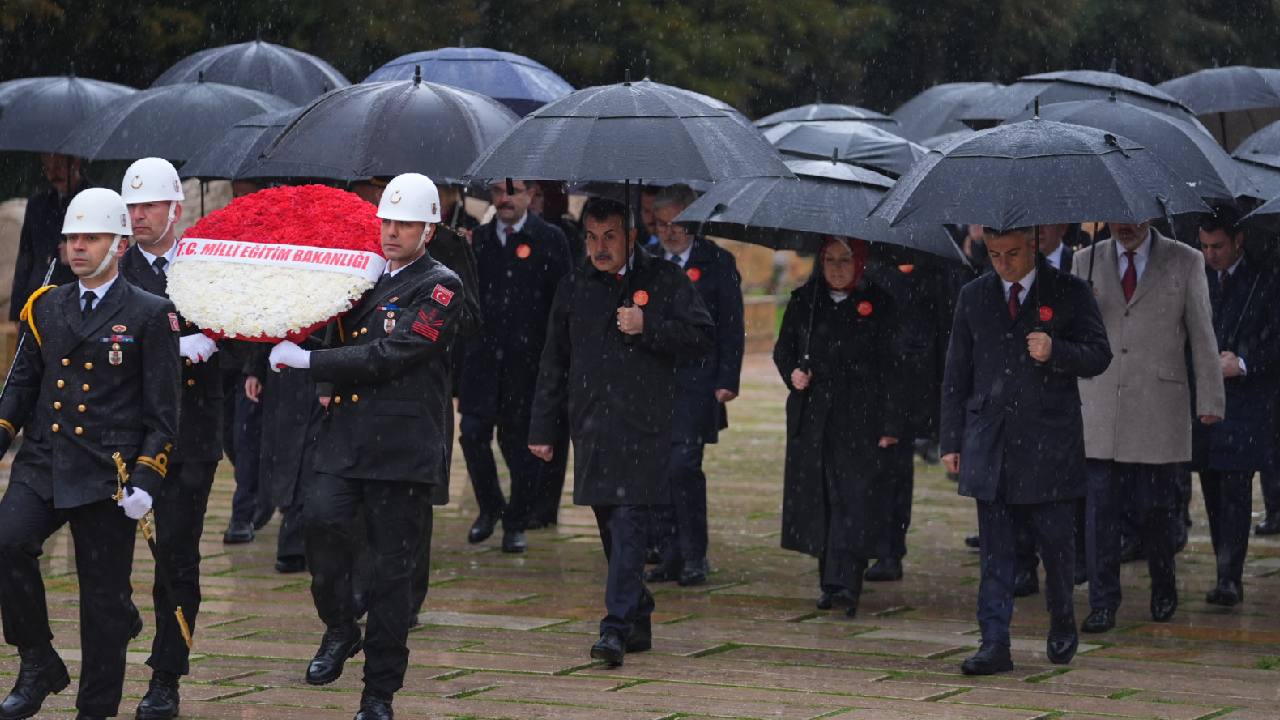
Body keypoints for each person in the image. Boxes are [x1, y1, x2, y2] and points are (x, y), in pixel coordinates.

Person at [268, 172, 462, 720]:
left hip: (401, 449)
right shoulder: (362, 274)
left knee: (391, 575)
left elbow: (393, 352)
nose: (392, 232)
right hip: (345, 440)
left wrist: (312, 365)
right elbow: (332, 327)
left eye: (404, 224)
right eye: (387, 222)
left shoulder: (441, 285)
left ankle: (379, 692)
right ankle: (338, 625)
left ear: (429, 228)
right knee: (320, 527)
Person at [0, 187, 180, 720]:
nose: (78, 248)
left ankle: (94, 710)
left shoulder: (152, 314)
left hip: (109, 471)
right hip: (44, 460)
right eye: (71, 239)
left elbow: (164, 413)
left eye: (91, 238)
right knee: (7, 544)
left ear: (119, 244)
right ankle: (38, 660)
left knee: (102, 602)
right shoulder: (46, 305)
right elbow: (21, 387)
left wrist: (148, 477)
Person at [528, 197, 712, 667]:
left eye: (609, 236)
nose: (599, 247)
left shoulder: (664, 279)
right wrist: (543, 427)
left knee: (630, 522)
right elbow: (554, 360)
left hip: (646, 426)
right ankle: (639, 614)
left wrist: (647, 324)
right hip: (591, 425)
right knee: (611, 527)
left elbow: (700, 338)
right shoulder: (574, 285)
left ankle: (613, 627)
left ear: (631, 235)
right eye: (591, 237)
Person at [941, 226, 1111, 676]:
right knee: (996, 553)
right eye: (994, 254)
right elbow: (956, 371)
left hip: (1049, 442)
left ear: (1034, 245)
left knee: (1056, 547)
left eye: (1013, 253)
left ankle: (1061, 620)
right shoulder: (974, 295)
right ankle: (994, 642)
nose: (1004, 263)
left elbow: (1099, 354)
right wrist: (950, 440)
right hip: (989, 441)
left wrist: (1057, 350)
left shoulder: (1069, 290)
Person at [1072, 219, 1224, 631]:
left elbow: (1202, 334)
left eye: (1132, 216)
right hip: (1100, 406)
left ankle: (1163, 584)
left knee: (1155, 511)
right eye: (1115, 215)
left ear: (1151, 213)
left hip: (1158, 407)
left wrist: (1210, 398)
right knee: (1099, 512)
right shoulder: (1084, 261)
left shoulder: (1185, 260)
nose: (1123, 225)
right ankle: (1103, 602)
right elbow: (1072, 335)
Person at [117, 158, 223, 720]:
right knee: (103, 559)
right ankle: (118, 616)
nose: (138, 216)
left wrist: (215, 345)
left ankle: (166, 675)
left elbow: (245, 326)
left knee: (175, 562)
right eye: (132, 207)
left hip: (189, 433)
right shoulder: (114, 267)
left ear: (175, 210)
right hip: (121, 437)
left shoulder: (205, 267)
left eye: (149, 206)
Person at [773, 237, 904, 616]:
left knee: (853, 499)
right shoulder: (805, 301)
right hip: (814, 415)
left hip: (861, 416)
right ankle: (829, 580)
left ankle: (847, 580)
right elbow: (784, 351)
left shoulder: (879, 303)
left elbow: (895, 367)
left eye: (845, 260)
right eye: (829, 260)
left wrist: (891, 422)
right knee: (821, 497)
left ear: (859, 262)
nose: (837, 268)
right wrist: (793, 373)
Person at [459, 179, 571, 553]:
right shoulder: (478, 239)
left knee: (521, 444)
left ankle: (517, 519)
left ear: (530, 195)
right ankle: (490, 506)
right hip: (483, 361)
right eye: (497, 191)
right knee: (473, 435)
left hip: (528, 364)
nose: (504, 199)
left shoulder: (550, 238)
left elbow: (563, 301)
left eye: (513, 190)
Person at [645, 184, 744, 587]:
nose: (670, 232)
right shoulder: (647, 261)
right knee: (657, 469)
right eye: (662, 224)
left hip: (697, 381)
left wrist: (726, 380)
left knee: (684, 466)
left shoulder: (717, 261)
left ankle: (694, 553)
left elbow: (732, 326)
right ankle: (668, 552)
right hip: (654, 381)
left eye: (678, 224)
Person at [1192, 206, 1280, 607]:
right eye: (1205, 246)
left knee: (1236, 486)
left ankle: (1230, 574)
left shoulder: (1265, 277)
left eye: (1219, 246)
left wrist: (1243, 363)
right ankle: (1222, 564)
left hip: (1246, 401)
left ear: (1238, 240)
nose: (1211, 254)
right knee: (1211, 483)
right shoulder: (1197, 276)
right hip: (1204, 398)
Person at [861, 246, 952, 582]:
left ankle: (888, 550)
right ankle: (861, 543)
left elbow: (944, 328)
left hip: (909, 384)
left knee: (894, 469)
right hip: (868, 379)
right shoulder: (867, 266)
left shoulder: (934, 271)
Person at [10, 153, 85, 322]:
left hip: (75, 298)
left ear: (76, 163)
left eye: (58, 167)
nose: (53, 175)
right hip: (37, 298)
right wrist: (17, 312)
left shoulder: (94, 199)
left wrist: (77, 251)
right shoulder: (37, 203)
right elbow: (25, 258)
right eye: (47, 168)